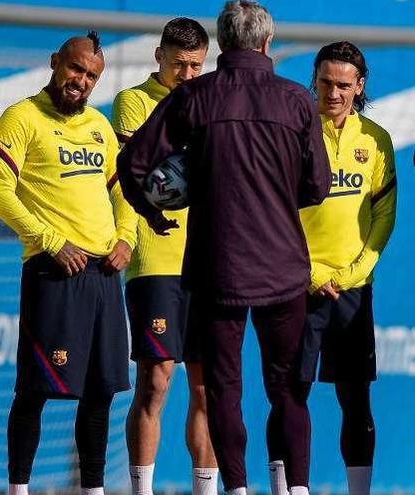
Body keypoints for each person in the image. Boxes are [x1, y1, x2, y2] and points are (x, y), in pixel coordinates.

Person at [117, 2, 331, 494]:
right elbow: (317, 185)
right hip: (283, 268)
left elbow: (133, 165)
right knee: (288, 391)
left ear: (223, 43)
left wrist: (154, 212)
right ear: (266, 43)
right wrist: (276, 198)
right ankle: (293, 488)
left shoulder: (195, 95)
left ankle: (235, 488)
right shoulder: (297, 100)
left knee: (222, 390)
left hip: (218, 267)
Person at [0, 31, 130, 495]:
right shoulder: (21, 117)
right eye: (75, 69)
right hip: (54, 272)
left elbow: (122, 191)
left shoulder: (99, 126)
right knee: (35, 390)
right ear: (55, 62)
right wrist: (50, 241)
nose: (81, 81)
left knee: (101, 392)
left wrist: (125, 238)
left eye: (91, 76)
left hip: (104, 275)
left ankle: (93, 489)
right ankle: (19, 488)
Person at [268, 41, 396, 495]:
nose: (334, 93)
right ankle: (287, 489)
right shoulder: (293, 132)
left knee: (355, 398)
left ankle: (358, 491)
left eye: (344, 85)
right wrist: (309, 273)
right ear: (314, 81)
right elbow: (274, 212)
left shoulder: (376, 140)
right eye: (326, 83)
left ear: (359, 87)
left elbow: (383, 215)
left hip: (353, 288)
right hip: (298, 285)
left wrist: (359, 269)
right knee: (289, 392)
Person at [110, 18, 218, 495]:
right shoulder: (133, 101)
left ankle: (205, 487)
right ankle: (142, 488)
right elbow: (146, 178)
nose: (188, 75)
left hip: (210, 261)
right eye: (179, 64)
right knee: (156, 381)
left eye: (196, 65)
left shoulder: (212, 103)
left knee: (207, 387)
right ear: (158, 57)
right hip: (155, 258)